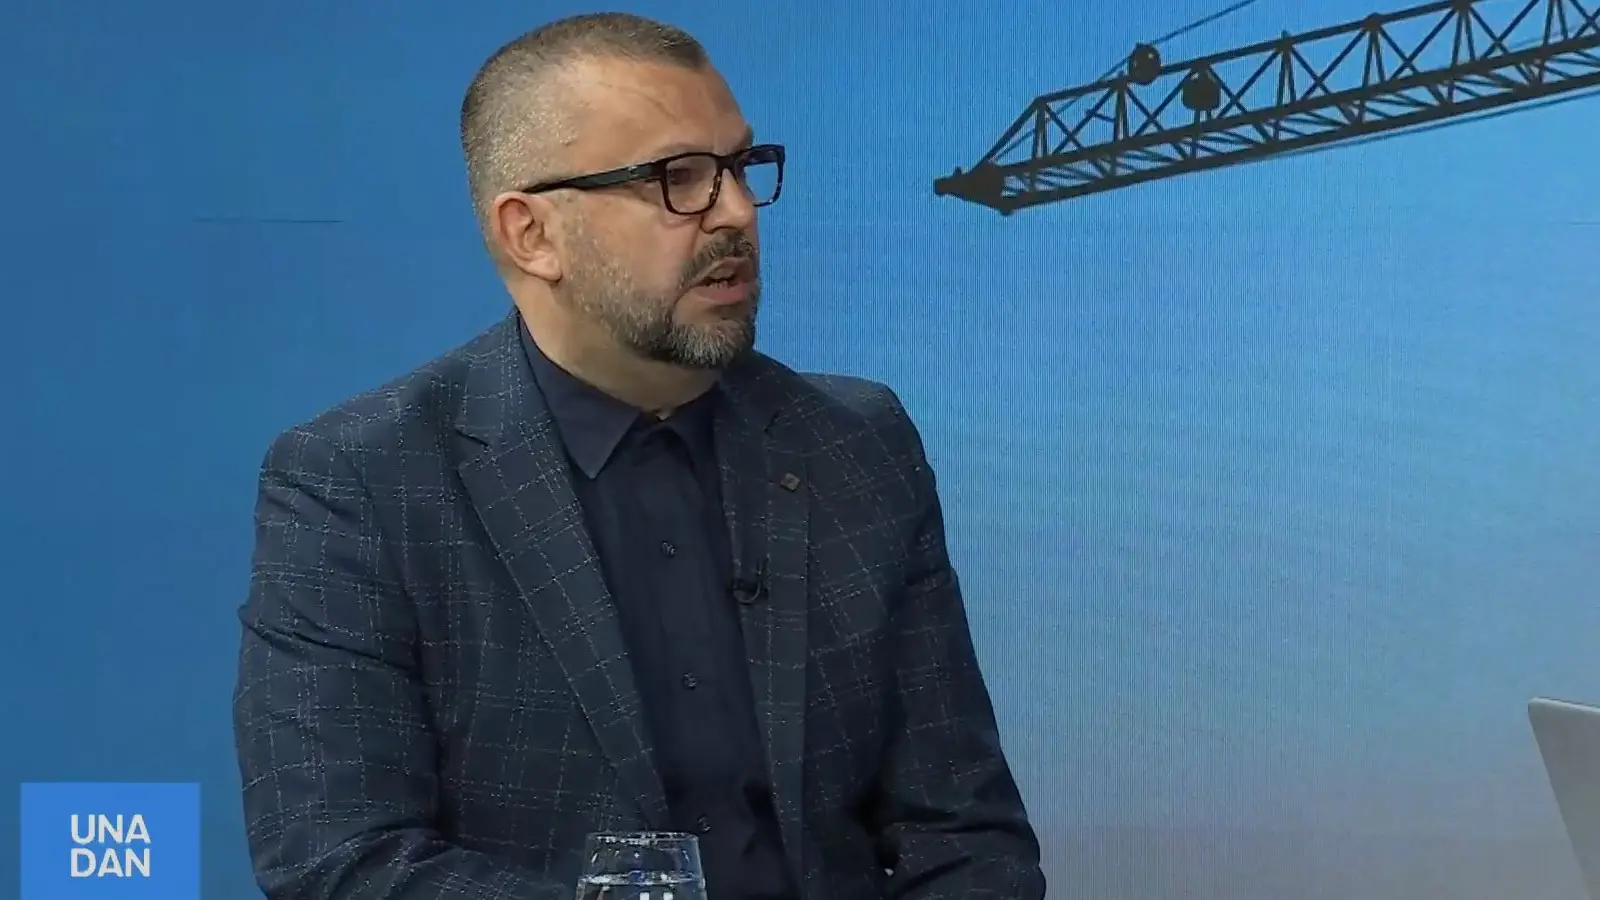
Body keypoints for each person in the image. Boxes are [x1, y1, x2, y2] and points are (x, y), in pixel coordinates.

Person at [232, 11, 1044, 900]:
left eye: (739, 167)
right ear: (531, 234)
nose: (735, 213)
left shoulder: (856, 442)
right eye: (676, 178)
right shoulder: (362, 480)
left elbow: (963, 834)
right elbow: (341, 858)